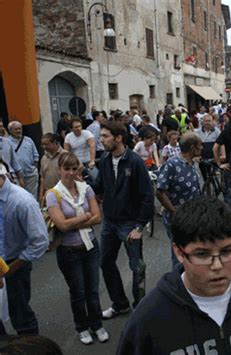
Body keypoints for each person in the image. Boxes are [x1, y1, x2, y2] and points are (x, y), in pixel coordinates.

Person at [117, 196, 231, 355]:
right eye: (202, 255)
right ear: (179, 253)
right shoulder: (150, 316)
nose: (217, 266)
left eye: (226, 251)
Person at [45, 153, 108, 345]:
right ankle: (82, 327)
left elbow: (98, 217)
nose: (71, 173)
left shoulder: (85, 189)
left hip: (90, 247)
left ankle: (97, 324)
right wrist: (84, 216)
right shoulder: (52, 194)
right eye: (67, 169)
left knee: (93, 290)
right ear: (59, 170)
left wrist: (75, 221)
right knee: (78, 292)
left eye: (74, 169)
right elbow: (62, 226)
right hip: (68, 251)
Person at [94, 121, 154, 318]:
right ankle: (120, 304)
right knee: (106, 263)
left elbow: (147, 196)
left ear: (118, 138)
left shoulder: (135, 162)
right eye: (101, 136)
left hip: (130, 224)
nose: (100, 140)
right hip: (109, 223)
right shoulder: (104, 159)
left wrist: (139, 226)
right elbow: (99, 187)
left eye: (105, 136)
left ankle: (141, 307)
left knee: (137, 267)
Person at [0, 165, 49, 335]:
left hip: (14, 264)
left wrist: (11, 268)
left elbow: (40, 241)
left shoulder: (23, 202)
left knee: (20, 314)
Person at [156, 133, 202, 266]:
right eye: (199, 147)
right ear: (192, 148)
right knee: (179, 255)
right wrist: (174, 212)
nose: (201, 149)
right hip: (177, 219)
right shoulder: (172, 165)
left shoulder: (192, 163)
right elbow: (160, 191)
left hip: (192, 217)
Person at [7, 121, 39, 198]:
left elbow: (36, 156)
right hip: (16, 177)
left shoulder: (28, 140)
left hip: (31, 175)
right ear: (10, 131)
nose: (18, 131)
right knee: (20, 197)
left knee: (32, 197)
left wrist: (34, 168)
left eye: (20, 129)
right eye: (16, 129)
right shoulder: (6, 142)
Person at [39, 133, 66, 203]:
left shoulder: (65, 155)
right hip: (50, 195)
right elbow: (42, 178)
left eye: (46, 144)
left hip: (64, 194)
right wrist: (41, 195)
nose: (44, 147)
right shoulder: (44, 158)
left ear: (55, 143)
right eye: (42, 144)